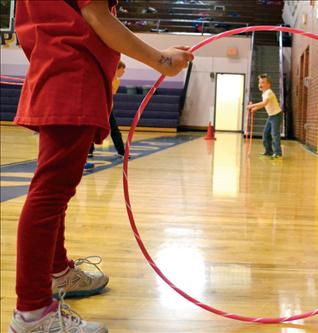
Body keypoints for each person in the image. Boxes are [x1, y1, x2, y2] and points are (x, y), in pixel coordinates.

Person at [8, 1, 193, 332]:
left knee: (55, 190)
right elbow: (96, 16)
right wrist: (161, 61)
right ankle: (32, 313)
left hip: (60, 69)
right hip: (71, 72)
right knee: (49, 194)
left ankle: (56, 273)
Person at [88, 60, 127, 160]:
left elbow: (109, 95)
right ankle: (89, 151)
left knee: (114, 130)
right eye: (122, 70)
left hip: (107, 107)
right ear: (116, 69)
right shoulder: (106, 77)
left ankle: (122, 152)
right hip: (98, 106)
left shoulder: (116, 81)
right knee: (92, 128)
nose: (123, 72)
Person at [247, 74, 283, 158]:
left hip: (276, 115)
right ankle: (269, 151)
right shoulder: (264, 93)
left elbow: (264, 103)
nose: (260, 84)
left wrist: (252, 106)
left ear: (268, 85)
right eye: (259, 82)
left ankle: (278, 153)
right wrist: (255, 108)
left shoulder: (269, 92)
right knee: (266, 134)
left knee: (274, 134)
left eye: (263, 82)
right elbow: (264, 105)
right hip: (271, 116)